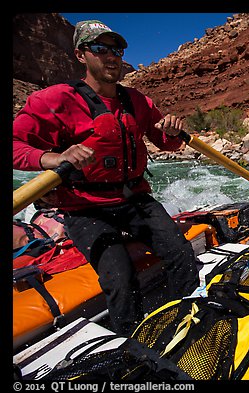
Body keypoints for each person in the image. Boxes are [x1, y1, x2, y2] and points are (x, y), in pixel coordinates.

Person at [13, 20, 201, 335]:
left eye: (116, 49)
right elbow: (16, 145)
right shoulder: (53, 100)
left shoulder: (138, 101)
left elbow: (166, 142)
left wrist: (173, 132)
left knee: (180, 252)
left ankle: (190, 325)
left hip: (134, 199)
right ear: (80, 55)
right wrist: (54, 158)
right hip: (85, 207)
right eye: (100, 49)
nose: (111, 56)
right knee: (119, 275)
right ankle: (132, 344)